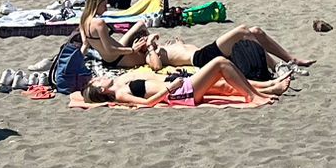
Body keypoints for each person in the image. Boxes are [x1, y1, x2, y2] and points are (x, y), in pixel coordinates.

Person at [74, 57, 290, 107]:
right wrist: (170, 88)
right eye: (97, 80)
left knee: (223, 84)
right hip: (180, 92)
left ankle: (268, 88)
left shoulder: (120, 83)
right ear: (102, 88)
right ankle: (253, 96)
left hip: (179, 86)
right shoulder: (120, 94)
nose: (99, 76)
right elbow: (147, 104)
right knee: (220, 64)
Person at [139, 23, 313, 77]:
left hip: (205, 52)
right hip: (201, 59)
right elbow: (156, 66)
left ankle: (291, 59)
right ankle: (277, 67)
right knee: (242, 31)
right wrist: (149, 46)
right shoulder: (149, 53)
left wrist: (178, 43)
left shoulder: (164, 46)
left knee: (255, 31)